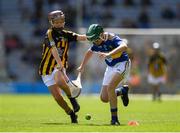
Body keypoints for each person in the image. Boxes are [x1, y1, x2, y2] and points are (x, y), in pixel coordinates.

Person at [38, 10, 87, 123]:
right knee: (58, 98)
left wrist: (94, 36)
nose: (59, 24)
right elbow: (54, 49)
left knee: (60, 82)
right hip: (46, 69)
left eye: (61, 21)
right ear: (52, 23)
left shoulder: (66, 34)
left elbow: (81, 37)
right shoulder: (49, 33)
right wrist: (59, 64)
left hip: (59, 66)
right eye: (57, 22)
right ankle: (71, 113)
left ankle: (72, 99)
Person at [77, 24, 131, 125]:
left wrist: (109, 54)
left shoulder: (111, 37)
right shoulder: (96, 43)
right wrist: (82, 66)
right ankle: (122, 91)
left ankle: (114, 119)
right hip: (110, 67)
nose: (95, 42)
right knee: (104, 98)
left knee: (110, 88)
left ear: (102, 34)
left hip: (122, 63)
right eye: (93, 40)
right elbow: (89, 52)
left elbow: (124, 46)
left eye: (96, 39)